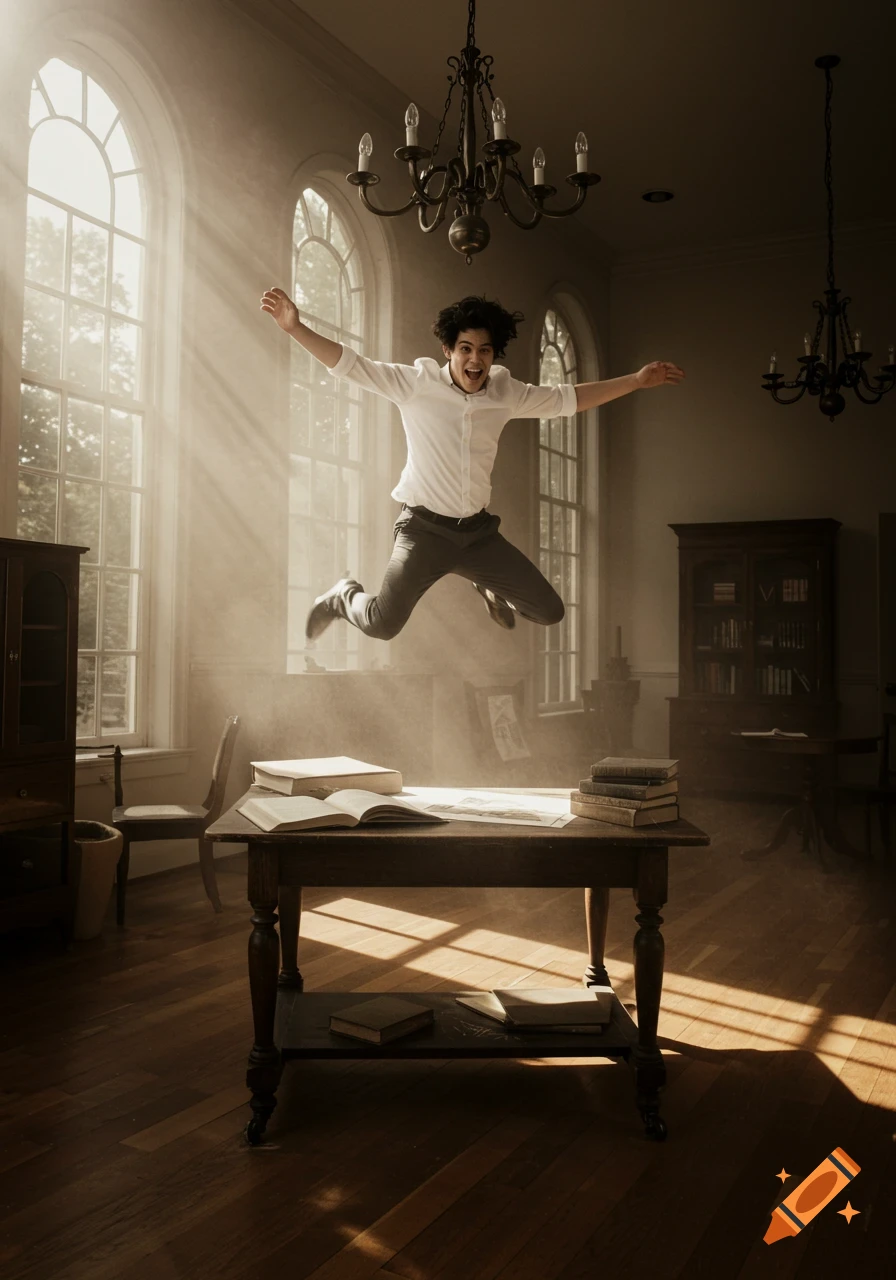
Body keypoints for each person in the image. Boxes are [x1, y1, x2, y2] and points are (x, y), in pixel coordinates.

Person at [260, 287, 684, 643]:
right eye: (465, 349)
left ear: (494, 355)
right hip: (423, 532)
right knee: (381, 625)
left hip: (478, 536)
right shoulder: (415, 384)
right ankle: (342, 595)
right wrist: (296, 328)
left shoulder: (506, 392)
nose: (475, 360)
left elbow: (566, 400)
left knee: (549, 611)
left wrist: (636, 381)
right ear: (448, 350)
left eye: (484, 350)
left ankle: (486, 582)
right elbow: (349, 364)